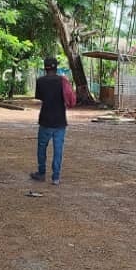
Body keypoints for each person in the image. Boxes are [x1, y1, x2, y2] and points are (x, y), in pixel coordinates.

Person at [30, 57, 76, 185]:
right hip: (60, 121)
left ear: (45, 67)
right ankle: (56, 177)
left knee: (41, 148)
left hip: (45, 120)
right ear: (56, 67)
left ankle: (41, 173)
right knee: (58, 149)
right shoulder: (62, 81)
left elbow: (40, 98)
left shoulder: (40, 81)